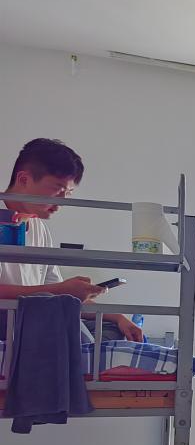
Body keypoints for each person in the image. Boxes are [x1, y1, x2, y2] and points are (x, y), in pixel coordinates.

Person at [1, 139, 142, 341]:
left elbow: (59, 294)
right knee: (56, 311)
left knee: (112, 331)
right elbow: (53, 294)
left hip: (32, 322)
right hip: (13, 325)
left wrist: (118, 317)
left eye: (68, 193)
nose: (63, 201)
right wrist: (60, 290)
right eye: (58, 189)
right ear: (24, 179)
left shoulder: (40, 229)